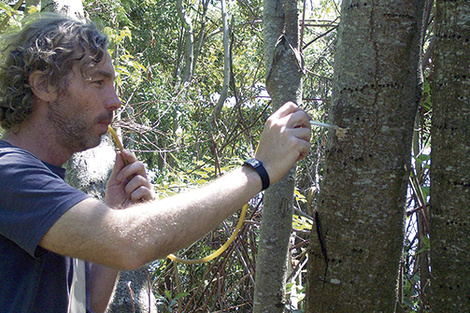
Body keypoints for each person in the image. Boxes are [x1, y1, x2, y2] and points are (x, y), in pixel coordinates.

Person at [0, 13, 311, 313]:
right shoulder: (8, 173)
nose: (115, 101)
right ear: (43, 85)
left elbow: (89, 303)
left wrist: (116, 212)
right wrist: (258, 170)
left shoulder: (47, 184)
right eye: (98, 82)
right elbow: (127, 243)